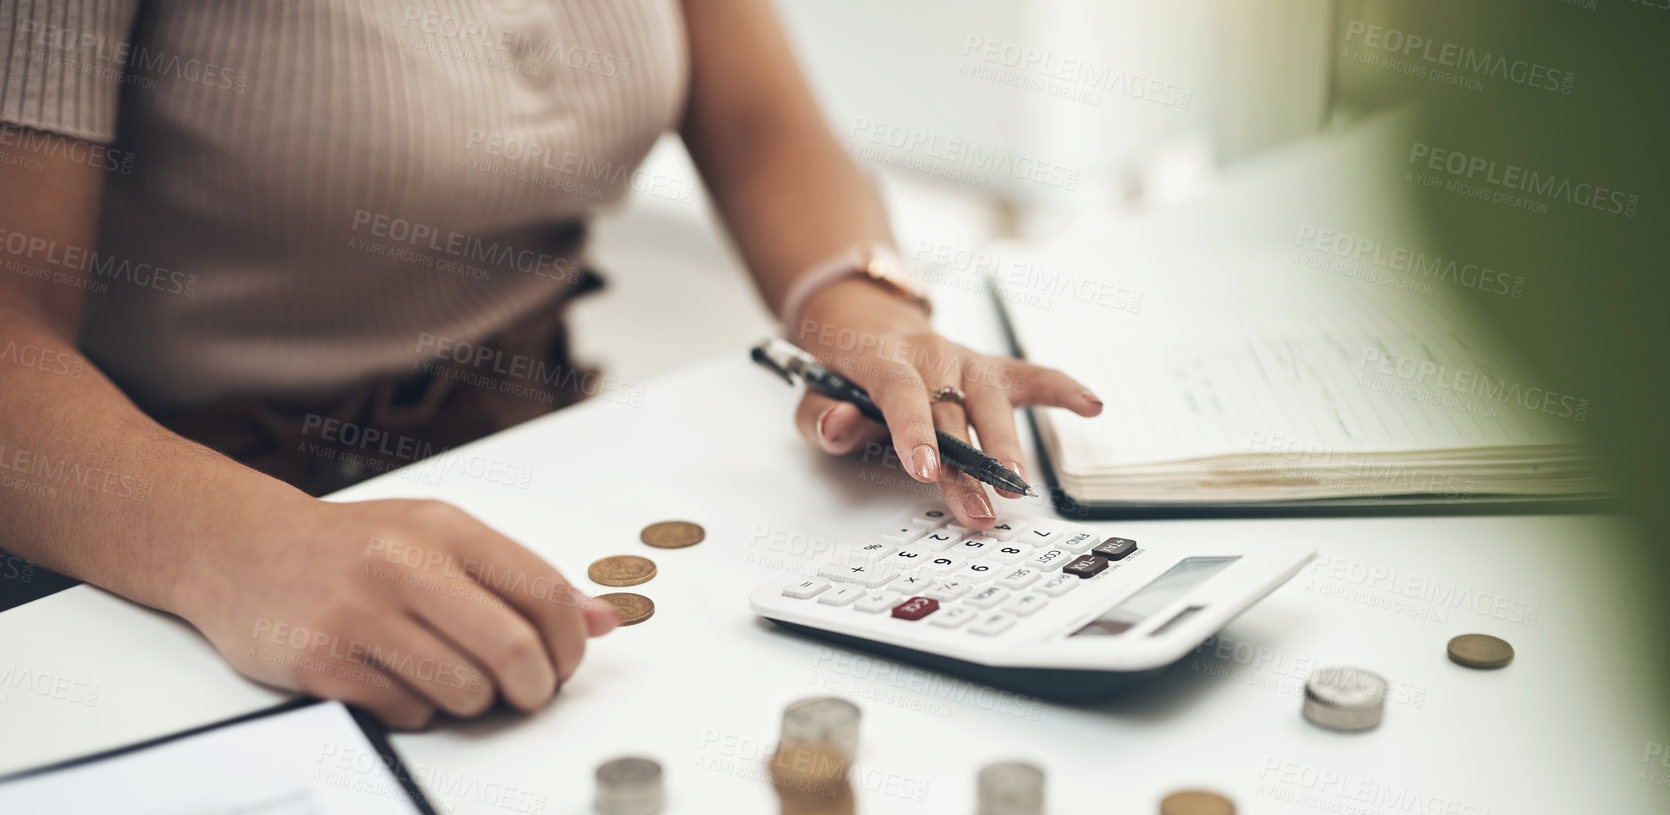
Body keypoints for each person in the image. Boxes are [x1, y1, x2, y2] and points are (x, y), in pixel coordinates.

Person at [0, 0, 1102, 728]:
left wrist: (859, 304)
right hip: (149, 526)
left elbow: (763, 122)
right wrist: (245, 549)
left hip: (533, 455)